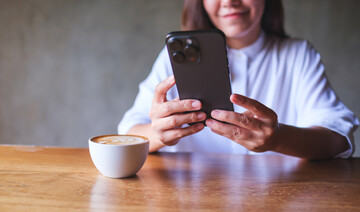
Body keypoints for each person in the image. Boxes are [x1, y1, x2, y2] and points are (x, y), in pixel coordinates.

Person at [118, 0, 359, 159]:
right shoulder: (172, 58)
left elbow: (338, 138)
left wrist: (278, 139)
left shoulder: (297, 55)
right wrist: (157, 133)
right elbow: (129, 133)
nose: (229, 2)